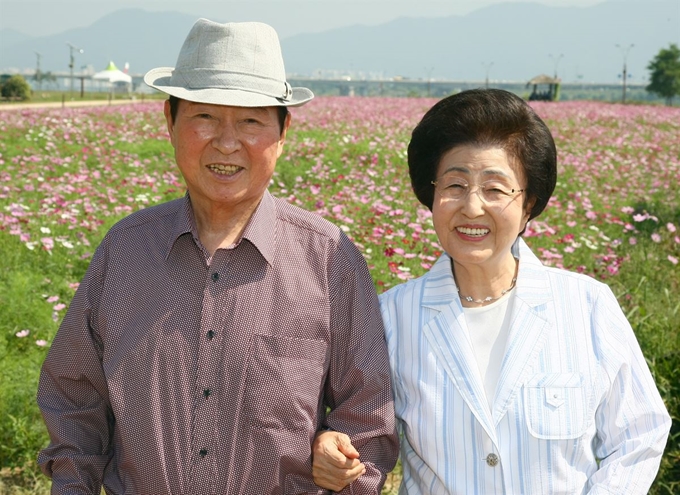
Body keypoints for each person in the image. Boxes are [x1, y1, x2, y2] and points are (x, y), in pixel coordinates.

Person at [37, 18, 398, 494]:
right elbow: (74, 400)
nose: (227, 143)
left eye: (250, 121)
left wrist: (344, 460)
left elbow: (368, 419)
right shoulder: (125, 250)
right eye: (205, 117)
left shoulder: (329, 257)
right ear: (169, 120)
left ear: (283, 130)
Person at [313, 89, 671, 493]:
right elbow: (360, 428)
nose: (472, 207)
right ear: (431, 196)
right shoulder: (391, 316)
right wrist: (332, 443)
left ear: (528, 204)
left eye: (495, 189)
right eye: (455, 185)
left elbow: (640, 434)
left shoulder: (586, 304)